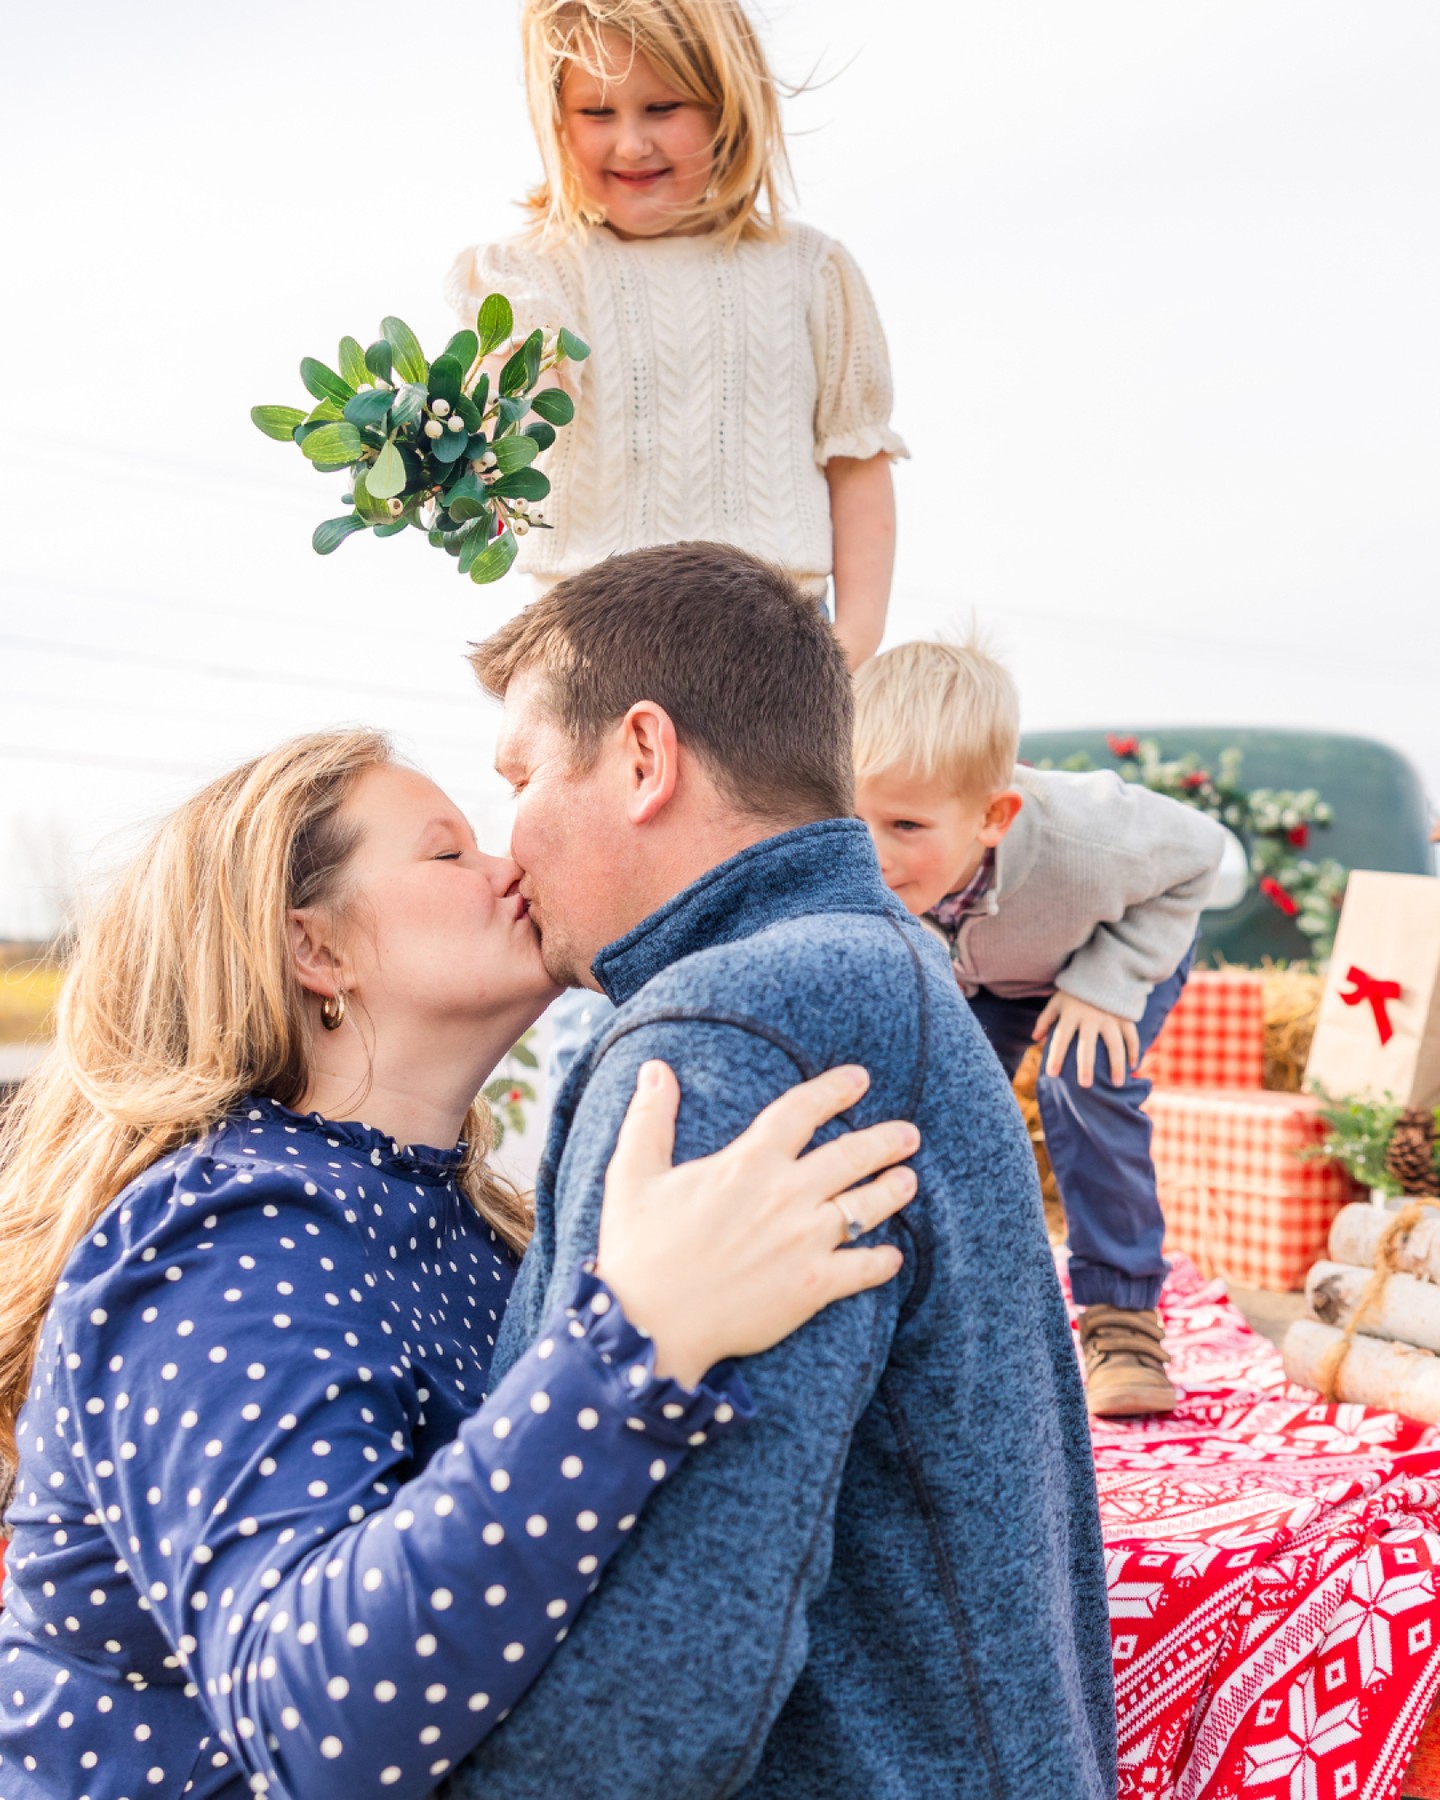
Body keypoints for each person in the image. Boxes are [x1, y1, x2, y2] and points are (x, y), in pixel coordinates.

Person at [0, 727, 922, 1800]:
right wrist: (636, 1342)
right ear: (318, 952)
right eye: (448, 854)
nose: (507, 869)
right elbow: (323, 1726)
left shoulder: (452, 1222)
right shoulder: (222, 1240)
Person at [443, 541, 1114, 1800]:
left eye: (523, 773)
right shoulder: (876, 966)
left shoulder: (731, 1032)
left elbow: (659, 1686)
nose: (507, 840)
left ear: (644, 757)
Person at [446, 0, 909, 1086]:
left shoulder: (810, 271)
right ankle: (603, 1098)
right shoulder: (525, 275)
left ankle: (774, 1089)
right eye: (596, 112)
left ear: (732, 105)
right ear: (552, 119)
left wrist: (857, 642)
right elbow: (496, 462)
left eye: (666, 107)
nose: (632, 141)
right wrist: (496, 395)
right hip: (590, 649)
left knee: (765, 883)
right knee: (601, 899)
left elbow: (857, 460)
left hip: (763, 648)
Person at [853, 638, 1229, 1417]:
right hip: (988, 974)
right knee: (940, 1104)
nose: (875, 856)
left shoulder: (1089, 838)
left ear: (995, 816)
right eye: (856, 822)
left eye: (907, 826)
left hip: (1108, 954)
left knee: (1079, 1078)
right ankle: (953, 1307)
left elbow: (1201, 852)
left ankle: (1121, 1315)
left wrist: (1106, 985)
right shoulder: (876, 867)